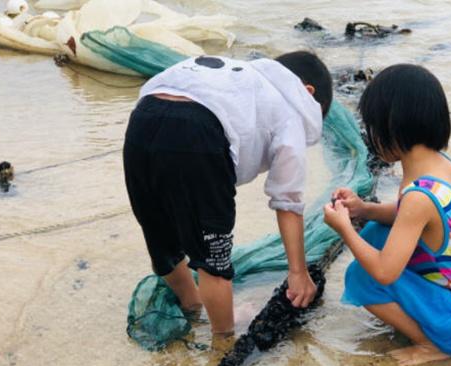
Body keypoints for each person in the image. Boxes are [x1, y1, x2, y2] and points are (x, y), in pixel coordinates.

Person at [323, 64, 451, 366]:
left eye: (372, 128)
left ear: (391, 128)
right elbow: (413, 217)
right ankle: (425, 319)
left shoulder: (419, 196)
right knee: (375, 233)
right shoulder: (439, 165)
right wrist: (364, 209)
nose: (370, 137)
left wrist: (345, 228)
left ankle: (431, 344)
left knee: (360, 276)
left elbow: (384, 272)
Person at [123, 51, 333, 338]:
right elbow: (288, 201)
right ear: (308, 92)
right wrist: (298, 273)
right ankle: (224, 336)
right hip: (198, 133)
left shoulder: (242, 77)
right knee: (214, 259)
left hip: (142, 121)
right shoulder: (291, 106)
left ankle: (192, 305)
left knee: (158, 232)